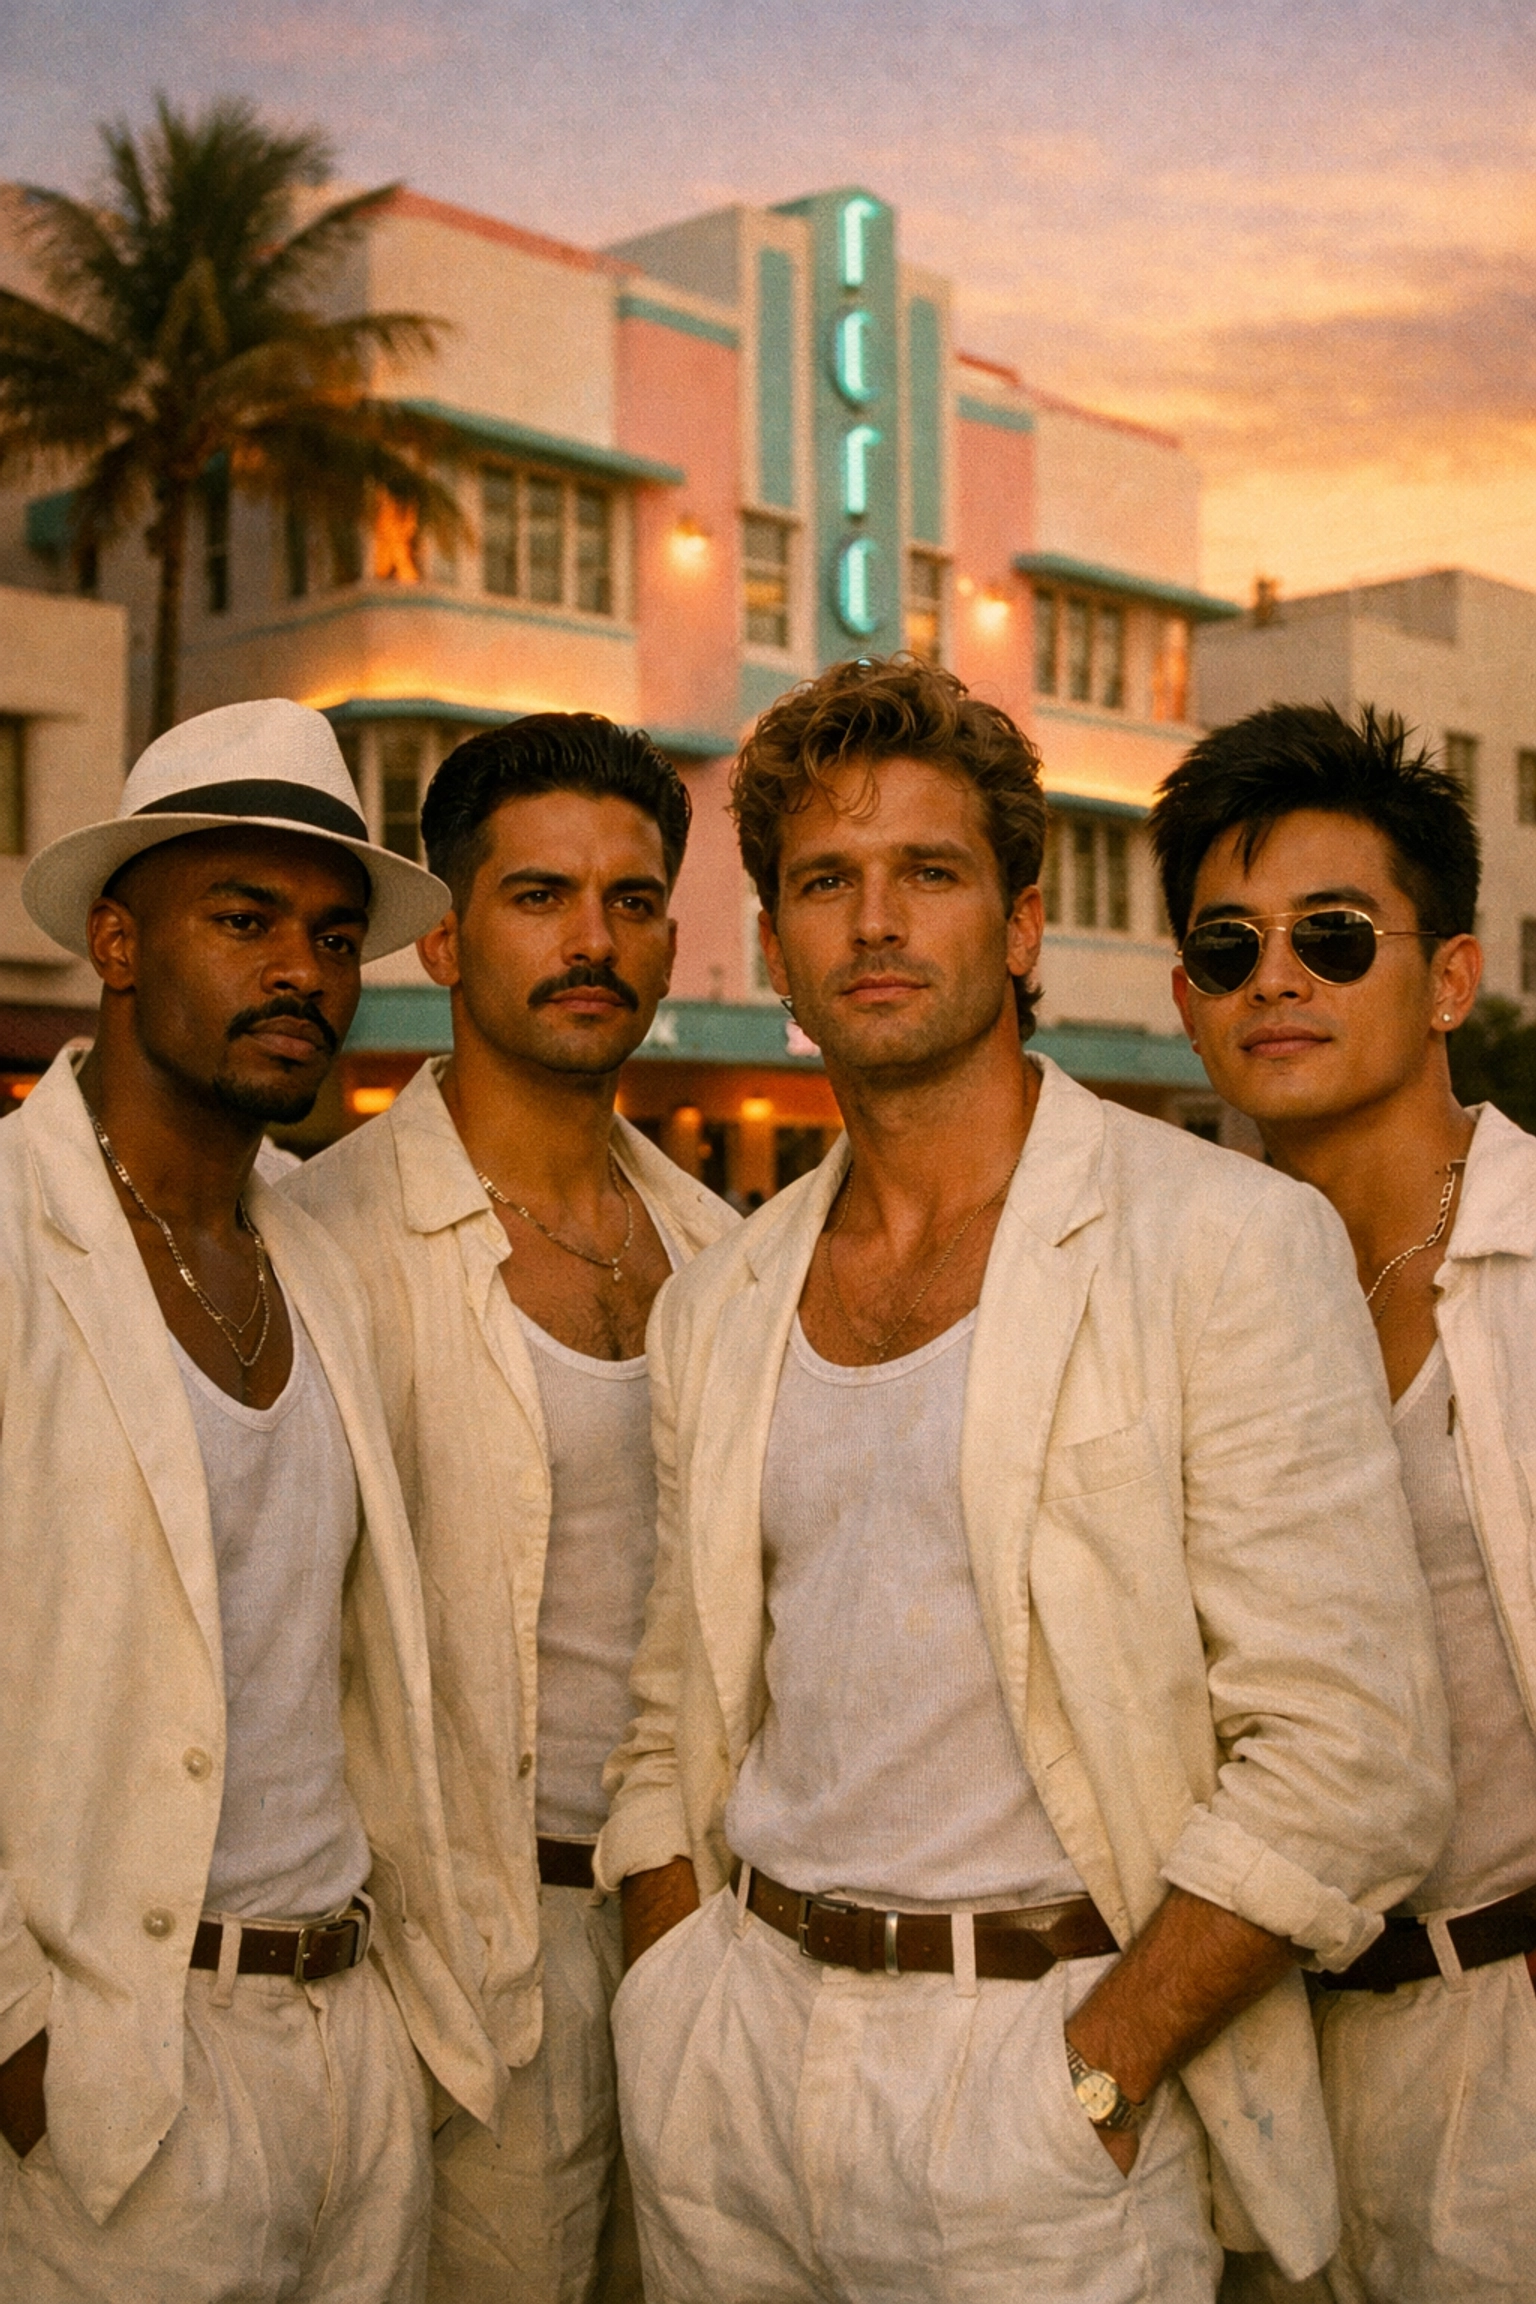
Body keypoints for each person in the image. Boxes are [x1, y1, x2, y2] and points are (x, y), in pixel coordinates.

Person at [595, 655, 1454, 2304]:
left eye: (930, 872)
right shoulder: (725, 1298)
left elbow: (1354, 1749)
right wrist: (674, 1995)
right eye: (825, 883)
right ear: (772, 948)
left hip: (1037, 2093)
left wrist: (1096, 2075)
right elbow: (673, 1703)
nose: (876, 922)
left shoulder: (1218, 1242)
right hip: (737, 2068)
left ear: (1022, 924)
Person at [0, 699, 504, 2301]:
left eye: (335, 937)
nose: (303, 971)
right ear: (118, 941)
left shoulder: (320, 1253)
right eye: (245, 920)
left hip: (354, 2050)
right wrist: (21, 2046)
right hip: (122, 2085)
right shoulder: (12, 1240)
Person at [286, 714, 737, 2304]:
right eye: (540, 896)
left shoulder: (726, 1255)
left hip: (707, 1936)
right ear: (444, 938)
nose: (591, 940)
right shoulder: (324, 1245)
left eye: (632, 900)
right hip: (455, 1970)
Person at [1150, 702, 1536, 2304]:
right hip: (1262, 2060)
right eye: (1228, 948)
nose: (1277, 980)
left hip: (1509, 2042)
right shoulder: (1177, 1298)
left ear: (1449, 978)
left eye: (1332, 936)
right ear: (1185, 1000)